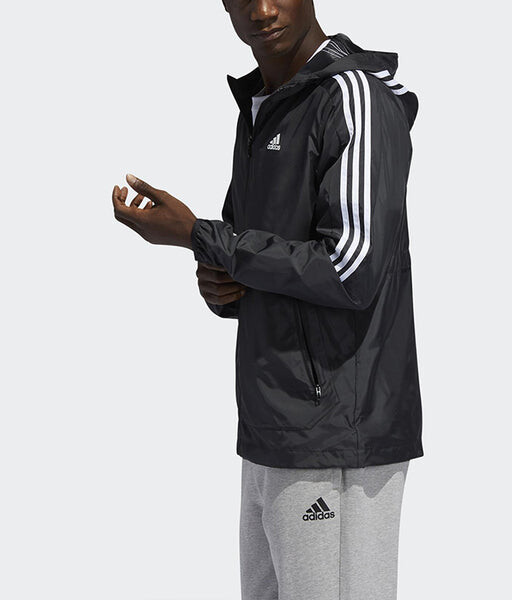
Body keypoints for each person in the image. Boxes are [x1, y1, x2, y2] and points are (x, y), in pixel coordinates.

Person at [111, 1, 423, 598]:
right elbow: (254, 253)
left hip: (338, 432)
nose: (261, 9)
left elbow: (351, 268)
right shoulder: (264, 106)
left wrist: (201, 237)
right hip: (271, 424)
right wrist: (219, 282)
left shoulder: (352, 97)